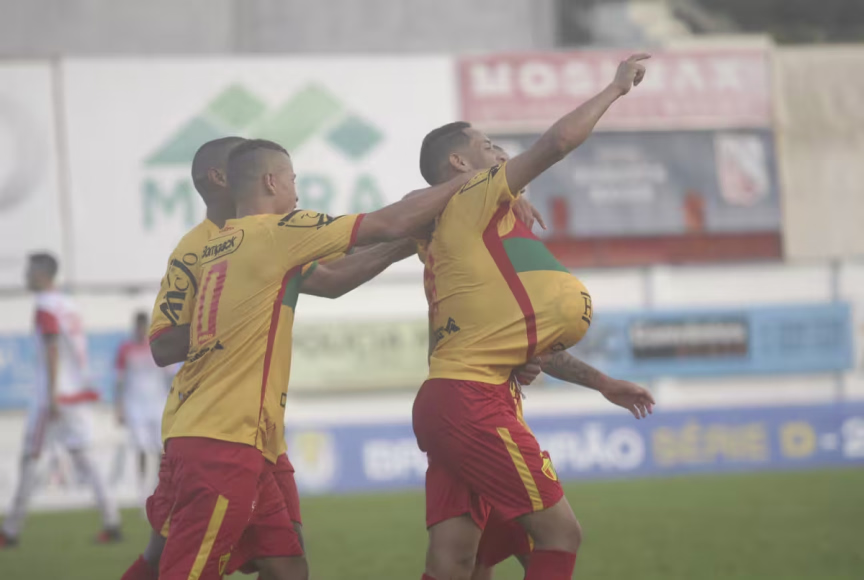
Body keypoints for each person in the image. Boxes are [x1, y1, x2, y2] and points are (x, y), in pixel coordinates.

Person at [147, 138, 471, 580]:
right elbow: (388, 221)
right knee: (175, 567)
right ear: (269, 181)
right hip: (222, 437)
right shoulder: (271, 234)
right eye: (293, 179)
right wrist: (474, 181)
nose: (297, 192)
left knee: (288, 565)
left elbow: (334, 276)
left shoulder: (222, 246)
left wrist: (408, 240)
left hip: (244, 435)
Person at [413, 54, 656, 580]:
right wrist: (615, 89)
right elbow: (556, 144)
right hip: (474, 400)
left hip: (451, 397)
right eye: (487, 146)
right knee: (558, 535)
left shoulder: (456, 232)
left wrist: (602, 382)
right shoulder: (472, 199)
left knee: (461, 561)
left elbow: (527, 348)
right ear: (459, 163)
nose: (500, 153)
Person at [0, 253, 122, 548]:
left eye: (30, 270)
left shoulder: (45, 305)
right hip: (76, 393)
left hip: (52, 397)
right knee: (85, 457)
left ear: (42, 274)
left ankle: (10, 530)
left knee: (30, 457)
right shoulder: (68, 304)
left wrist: (52, 395)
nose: (26, 275)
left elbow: (52, 347)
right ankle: (112, 520)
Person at [115, 312, 172, 508]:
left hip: (157, 404)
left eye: (143, 327)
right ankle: (142, 492)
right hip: (135, 406)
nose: (141, 331)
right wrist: (119, 407)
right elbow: (119, 381)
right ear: (135, 327)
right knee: (140, 448)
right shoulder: (126, 349)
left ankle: (160, 490)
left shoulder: (157, 347)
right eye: (138, 327)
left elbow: (169, 376)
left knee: (159, 449)